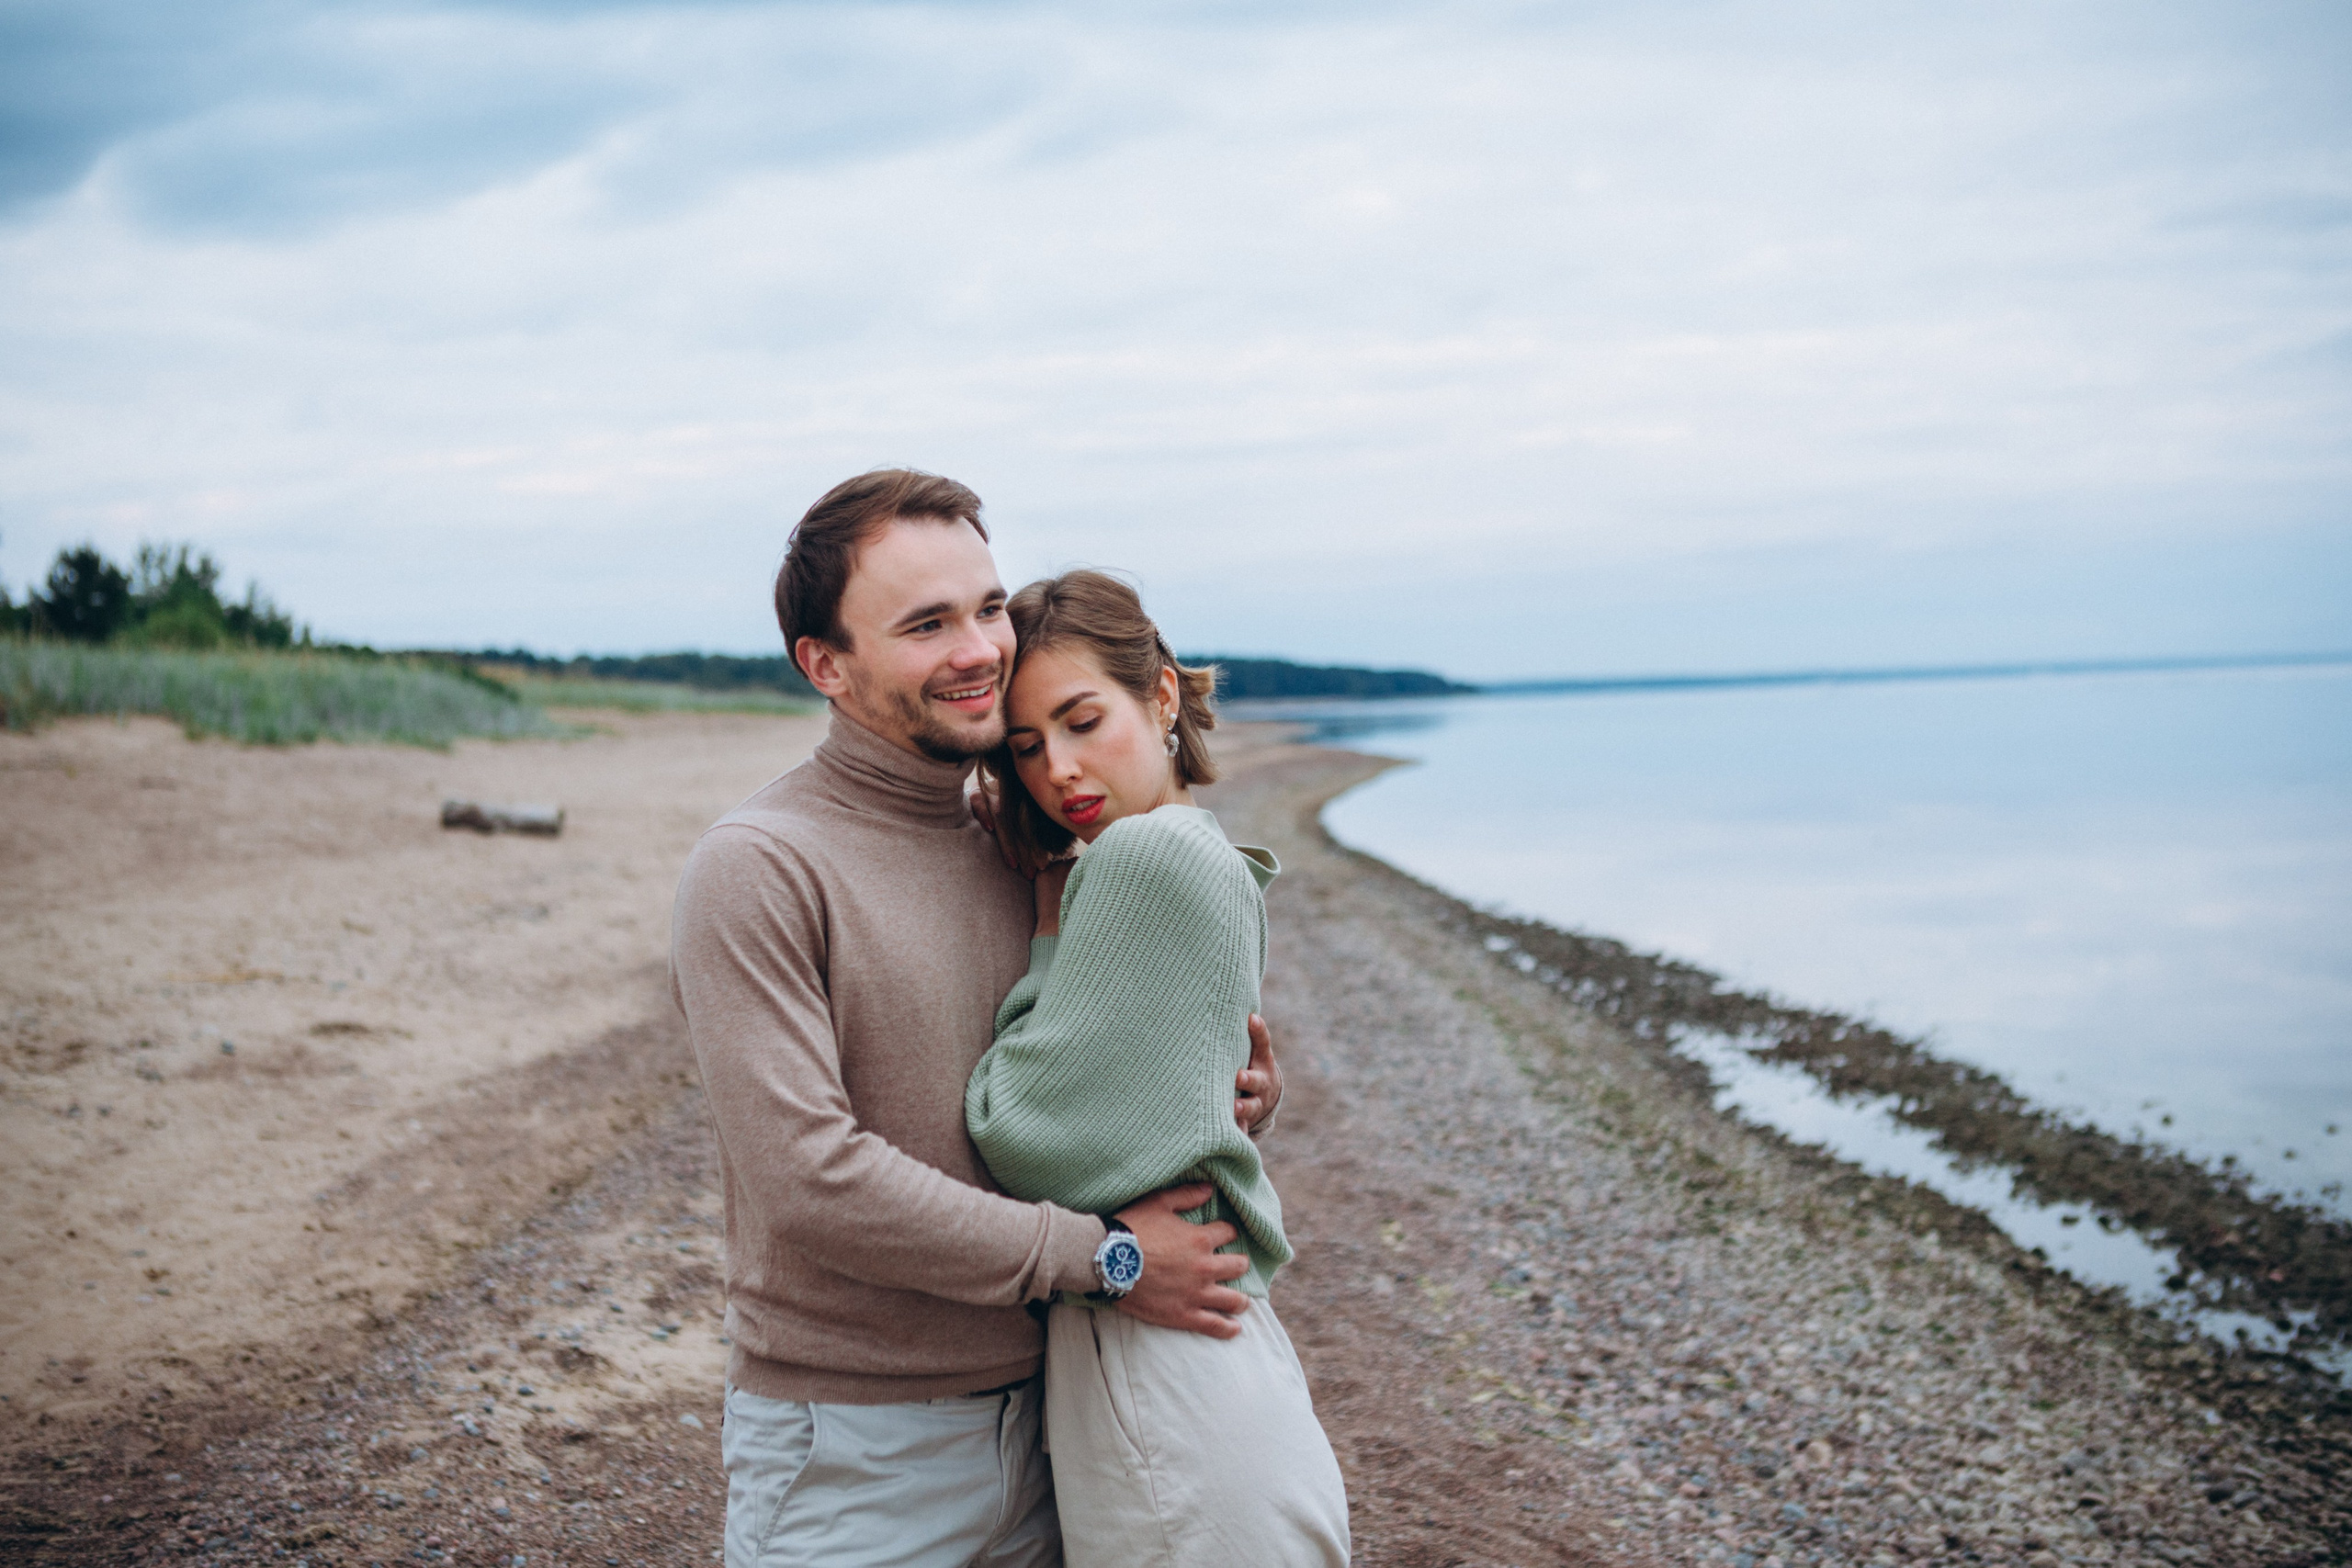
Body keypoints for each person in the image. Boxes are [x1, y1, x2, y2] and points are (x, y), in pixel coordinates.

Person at [668, 470, 1285, 1568]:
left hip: (1061, 1417)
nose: (978, 650)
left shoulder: (1029, 840)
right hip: (857, 1444)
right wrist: (1106, 1258)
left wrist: (1220, 1092)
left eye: (988, 607)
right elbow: (811, 1180)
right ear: (825, 665)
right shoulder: (759, 866)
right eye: (926, 624)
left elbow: (1090, 1069)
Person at [967, 570, 1351, 1568]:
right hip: (1211, 1353)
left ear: (1163, 694)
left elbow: (1021, 1134)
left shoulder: (1138, 859)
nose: (1059, 769)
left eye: (1083, 721)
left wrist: (1047, 937)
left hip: (1167, 1377)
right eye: (1026, 747)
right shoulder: (1201, 846)